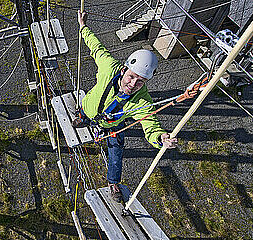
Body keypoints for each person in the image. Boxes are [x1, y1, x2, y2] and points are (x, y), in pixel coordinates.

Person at [73, 10, 177, 202]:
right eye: (131, 77)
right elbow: (96, 47)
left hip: (112, 125)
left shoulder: (142, 101)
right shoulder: (109, 67)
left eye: (140, 82)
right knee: (85, 113)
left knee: (116, 153)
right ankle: (82, 117)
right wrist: (83, 27)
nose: (132, 84)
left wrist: (160, 138)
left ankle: (113, 182)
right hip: (89, 108)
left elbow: (150, 124)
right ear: (124, 69)